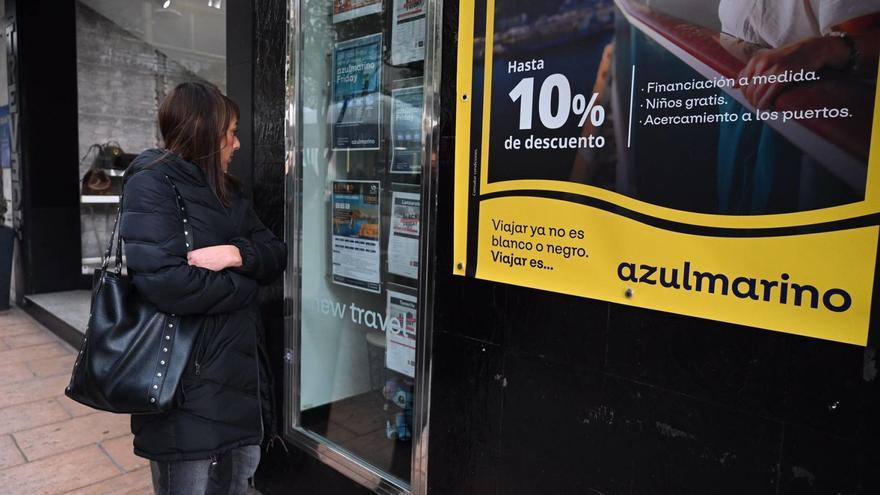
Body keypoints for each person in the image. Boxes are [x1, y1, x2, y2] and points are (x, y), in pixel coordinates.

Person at [119, 81, 287, 494]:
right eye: (231, 132)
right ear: (206, 133)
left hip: (240, 380)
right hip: (184, 385)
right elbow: (169, 284)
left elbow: (275, 253)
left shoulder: (229, 191)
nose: (237, 143)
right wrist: (249, 287)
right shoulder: (151, 184)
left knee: (237, 481)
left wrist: (234, 254)